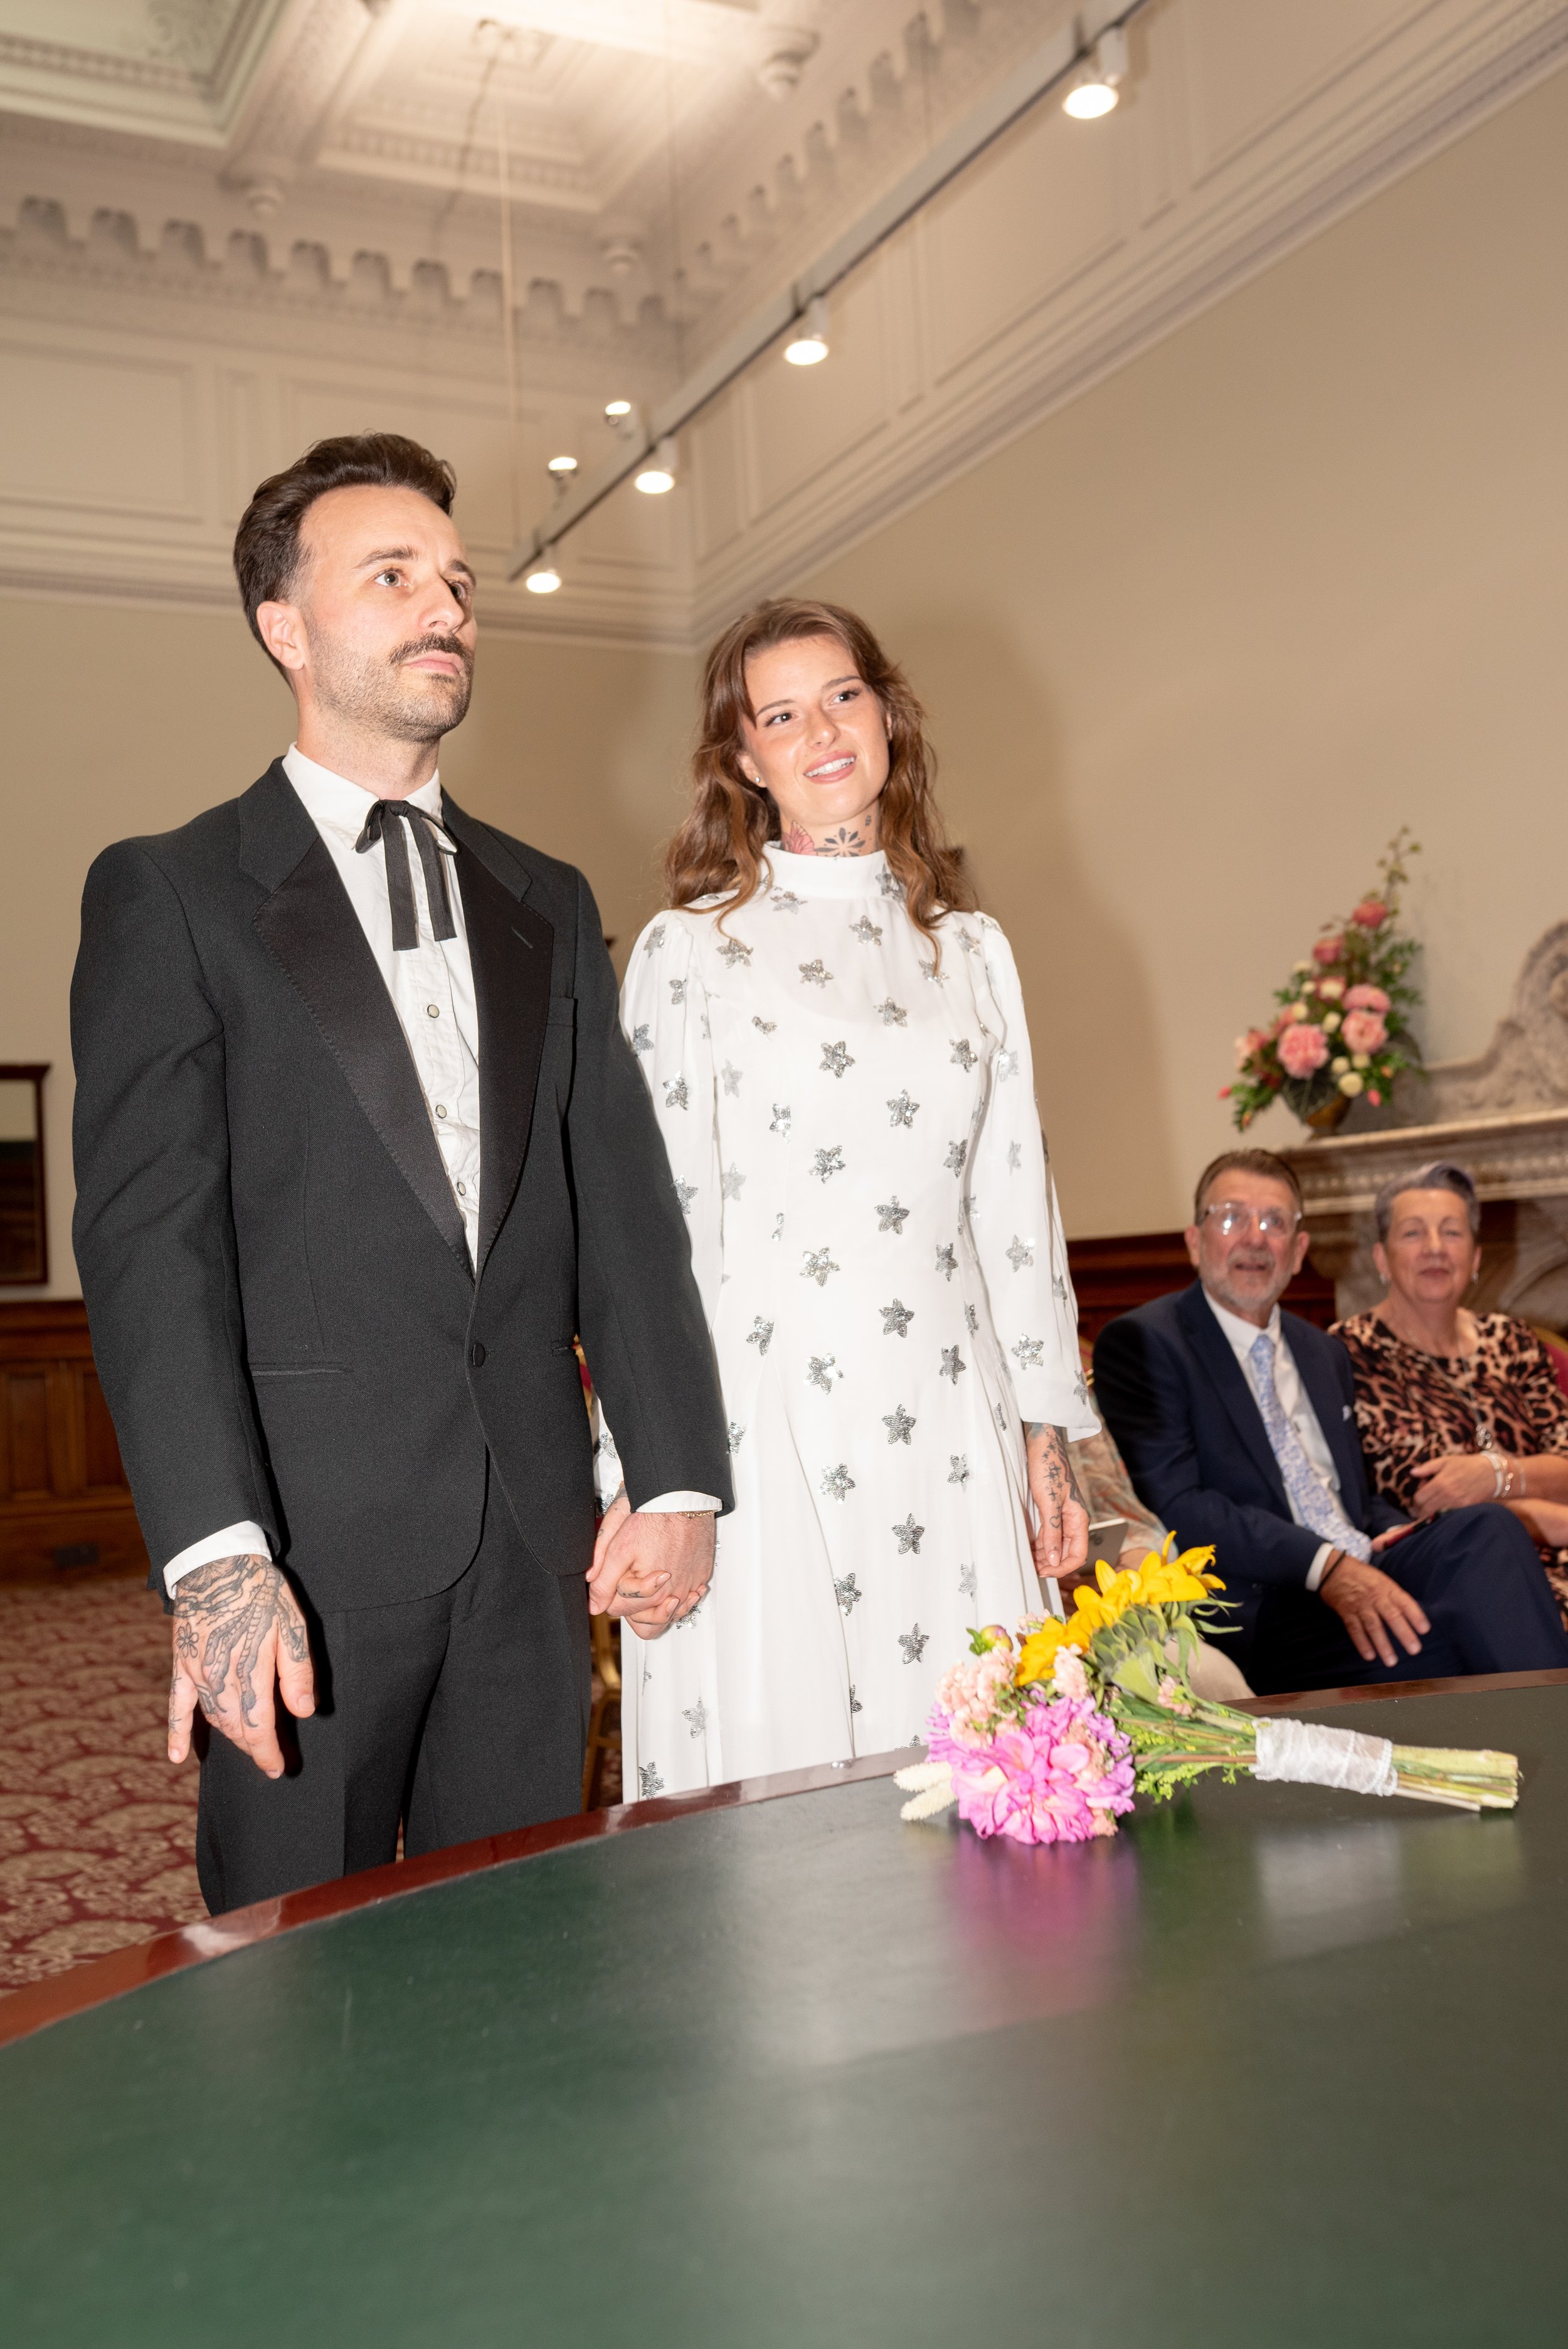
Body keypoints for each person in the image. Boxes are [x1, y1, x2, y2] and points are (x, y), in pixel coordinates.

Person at [70, 433, 732, 1913]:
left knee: (515, 1942)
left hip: (534, 1533)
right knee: (287, 1965)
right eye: (391, 576)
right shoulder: (168, 892)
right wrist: (216, 1559)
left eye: (458, 583)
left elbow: (621, 1209)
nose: (445, 608)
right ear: (285, 628)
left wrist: (673, 1469)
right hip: (303, 1548)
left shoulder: (546, 899)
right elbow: (146, 1246)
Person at [593, 597, 1098, 1796]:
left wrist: (1047, 1432)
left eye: (842, 696)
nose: (820, 730)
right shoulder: (691, 952)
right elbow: (645, 1237)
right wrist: (644, 1474)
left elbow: (1013, 1202)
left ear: (886, 715)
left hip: (951, 1418)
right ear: (744, 762)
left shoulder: (970, 953)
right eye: (781, 713)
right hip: (768, 1428)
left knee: (977, 1774)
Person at [1093, 1148, 1568, 1695]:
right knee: (1476, 1630)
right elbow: (1179, 1505)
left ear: (1298, 1251)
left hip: (1365, 1561)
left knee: (1486, 1529)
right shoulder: (1146, 1342)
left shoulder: (1321, 1351)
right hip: (1268, 1604)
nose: (1254, 1237)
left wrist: (1393, 1531)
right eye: (1231, 1217)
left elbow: (1352, 1501)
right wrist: (1327, 1566)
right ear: (1195, 1241)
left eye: (1274, 1222)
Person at [1333, 1160, 1568, 1626]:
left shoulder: (1514, 1340)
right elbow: (1428, 1498)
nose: (1436, 1249)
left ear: (1477, 1257)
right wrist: (1555, 1515)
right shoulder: (1348, 1353)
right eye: (1414, 1233)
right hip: (1461, 1572)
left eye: (1453, 1232)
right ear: (1382, 1258)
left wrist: (1493, 1473)